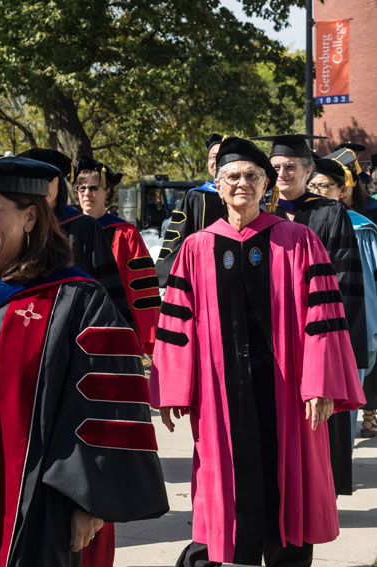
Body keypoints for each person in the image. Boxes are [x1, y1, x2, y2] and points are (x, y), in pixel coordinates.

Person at [0, 155, 169, 567]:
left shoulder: (77, 300)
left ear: (30, 217)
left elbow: (108, 406)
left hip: (46, 505)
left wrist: (91, 501)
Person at [151, 137, 365, 567]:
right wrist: (174, 388)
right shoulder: (196, 248)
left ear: (266, 184)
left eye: (252, 175)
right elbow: (177, 324)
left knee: (289, 501)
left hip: (288, 396)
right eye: (233, 176)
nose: (242, 183)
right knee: (229, 510)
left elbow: (323, 318)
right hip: (220, 399)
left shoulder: (299, 241)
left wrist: (319, 384)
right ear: (218, 183)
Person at [252, 132, 366, 496]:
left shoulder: (328, 213)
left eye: (290, 167)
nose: (282, 173)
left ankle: (315, 496)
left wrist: (333, 345)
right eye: (276, 167)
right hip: (267, 338)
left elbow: (344, 281)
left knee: (315, 424)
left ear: (307, 170)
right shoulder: (257, 213)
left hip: (312, 335)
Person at [18, 148, 136, 338]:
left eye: (48, 179)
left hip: (74, 328)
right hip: (24, 323)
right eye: (34, 180)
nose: (42, 187)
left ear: (59, 183)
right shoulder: (13, 225)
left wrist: (121, 337)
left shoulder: (84, 227)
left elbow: (108, 286)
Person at [309, 156, 377, 442]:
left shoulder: (360, 228)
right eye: (311, 185)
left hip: (353, 326)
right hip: (310, 331)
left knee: (341, 418)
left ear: (342, 190)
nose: (316, 191)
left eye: (323, 186)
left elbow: (370, 288)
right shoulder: (294, 225)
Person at [75, 158, 161, 355]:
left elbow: (142, 288)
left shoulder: (125, 233)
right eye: (82, 188)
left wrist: (146, 334)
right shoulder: (66, 229)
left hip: (113, 321)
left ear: (107, 192)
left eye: (94, 188)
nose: (87, 193)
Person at [156, 134, 227, 286]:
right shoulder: (195, 197)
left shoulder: (242, 196)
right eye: (212, 157)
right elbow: (177, 239)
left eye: (221, 156)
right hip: (199, 276)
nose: (215, 162)